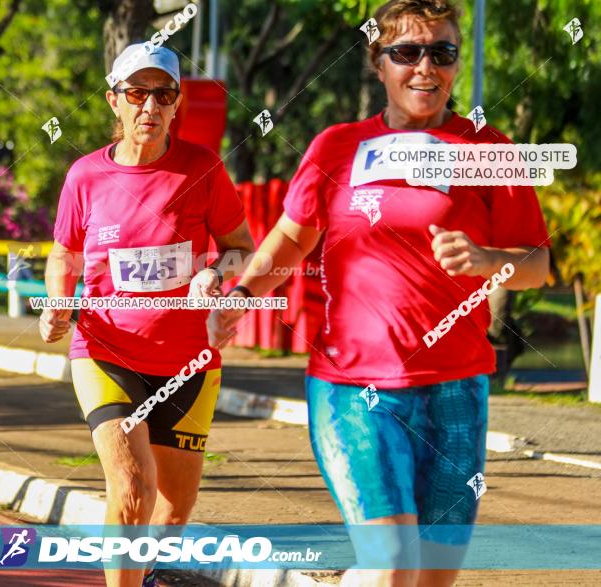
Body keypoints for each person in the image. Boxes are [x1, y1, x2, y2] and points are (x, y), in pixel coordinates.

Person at [208, 1, 550, 585]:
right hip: (353, 387)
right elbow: (292, 238)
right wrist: (242, 294)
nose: (425, 68)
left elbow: (538, 264)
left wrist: (492, 260)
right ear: (379, 62)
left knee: (433, 576)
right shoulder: (337, 147)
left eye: (442, 53)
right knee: (392, 563)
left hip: (456, 388)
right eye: (407, 52)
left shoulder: (490, 151)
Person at [40, 44, 254, 587]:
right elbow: (63, 253)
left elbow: (241, 247)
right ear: (115, 102)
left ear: (176, 104)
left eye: (163, 94)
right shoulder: (85, 176)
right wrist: (57, 303)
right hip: (106, 351)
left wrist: (218, 276)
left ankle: (143, 573)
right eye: (137, 93)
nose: (150, 106)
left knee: (173, 508)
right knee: (133, 486)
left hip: (190, 362)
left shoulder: (202, 167)